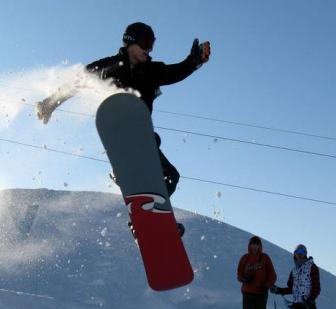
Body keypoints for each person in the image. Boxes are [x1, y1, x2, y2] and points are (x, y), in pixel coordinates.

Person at [36, 22, 210, 235]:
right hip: (119, 132)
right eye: (146, 43)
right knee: (157, 164)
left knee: (171, 177)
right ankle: (123, 170)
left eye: (152, 44)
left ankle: (145, 221)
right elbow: (76, 82)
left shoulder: (152, 71)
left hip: (143, 138)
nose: (149, 49)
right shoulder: (109, 66)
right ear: (130, 43)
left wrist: (194, 61)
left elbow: (176, 72)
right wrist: (50, 104)